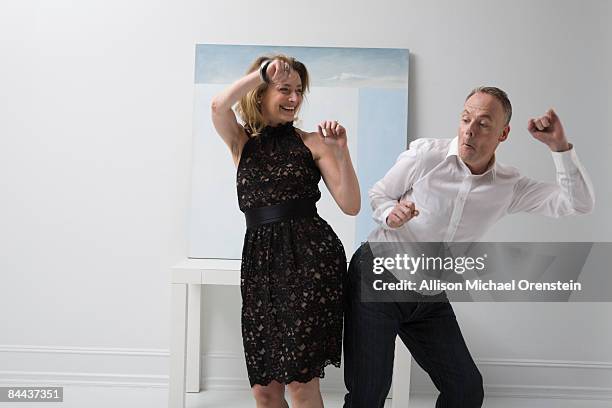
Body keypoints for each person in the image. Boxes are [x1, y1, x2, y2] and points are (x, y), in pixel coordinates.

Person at [343, 86, 595, 407]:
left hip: (429, 296)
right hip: (378, 278)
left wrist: (560, 148)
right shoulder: (426, 156)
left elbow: (578, 203)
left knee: (466, 390)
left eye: (484, 123)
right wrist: (391, 214)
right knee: (368, 394)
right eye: (465, 119)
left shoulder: (509, 186)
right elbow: (380, 194)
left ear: (503, 134)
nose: (470, 130)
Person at [211, 54, 360, 408]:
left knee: (301, 384)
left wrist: (342, 153)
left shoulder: (313, 143)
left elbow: (351, 205)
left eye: (298, 91)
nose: (293, 98)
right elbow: (219, 105)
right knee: (264, 389)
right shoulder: (241, 142)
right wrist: (262, 72)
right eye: (283, 89)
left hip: (310, 263)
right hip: (260, 267)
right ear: (260, 93)